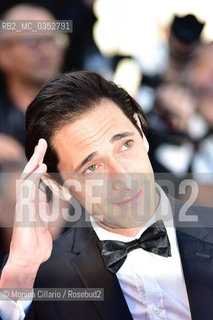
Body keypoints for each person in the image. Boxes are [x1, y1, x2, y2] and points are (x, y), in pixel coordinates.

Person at [0, 71, 213, 320]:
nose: (122, 178)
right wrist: (22, 274)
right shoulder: (42, 279)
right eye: (92, 168)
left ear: (141, 133)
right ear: (58, 186)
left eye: (125, 145)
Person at [0, 3, 68, 164]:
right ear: (4, 55)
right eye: (32, 42)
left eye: (52, 39)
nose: (46, 51)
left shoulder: (85, 105)